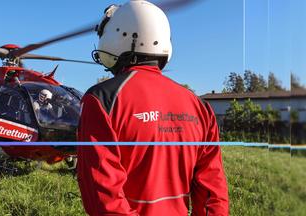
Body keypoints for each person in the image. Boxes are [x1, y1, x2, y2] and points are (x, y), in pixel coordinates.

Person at [77, 1, 229, 215]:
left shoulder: (101, 100)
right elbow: (213, 191)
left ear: (120, 35)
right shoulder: (198, 106)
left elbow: (103, 198)